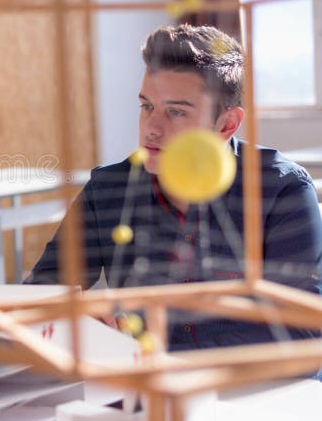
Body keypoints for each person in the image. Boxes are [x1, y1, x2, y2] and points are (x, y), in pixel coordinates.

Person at [27, 24, 322, 351]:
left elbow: (305, 331)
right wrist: (80, 318)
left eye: (176, 112)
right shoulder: (108, 189)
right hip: (148, 389)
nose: (151, 128)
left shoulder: (281, 189)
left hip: (262, 392)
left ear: (227, 124)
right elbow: (41, 292)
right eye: (146, 106)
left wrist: (161, 355)